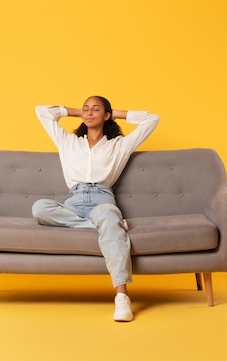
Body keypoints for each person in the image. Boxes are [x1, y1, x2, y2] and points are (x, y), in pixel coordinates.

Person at [32, 96, 160, 322]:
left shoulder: (119, 145)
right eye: (86, 109)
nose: (89, 113)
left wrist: (115, 112)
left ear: (107, 115)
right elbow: (42, 111)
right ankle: (110, 227)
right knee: (40, 208)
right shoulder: (67, 141)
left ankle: (121, 296)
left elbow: (152, 119)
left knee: (107, 215)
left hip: (102, 199)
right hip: (73, 202)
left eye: (96, 109)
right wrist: (75, 111)